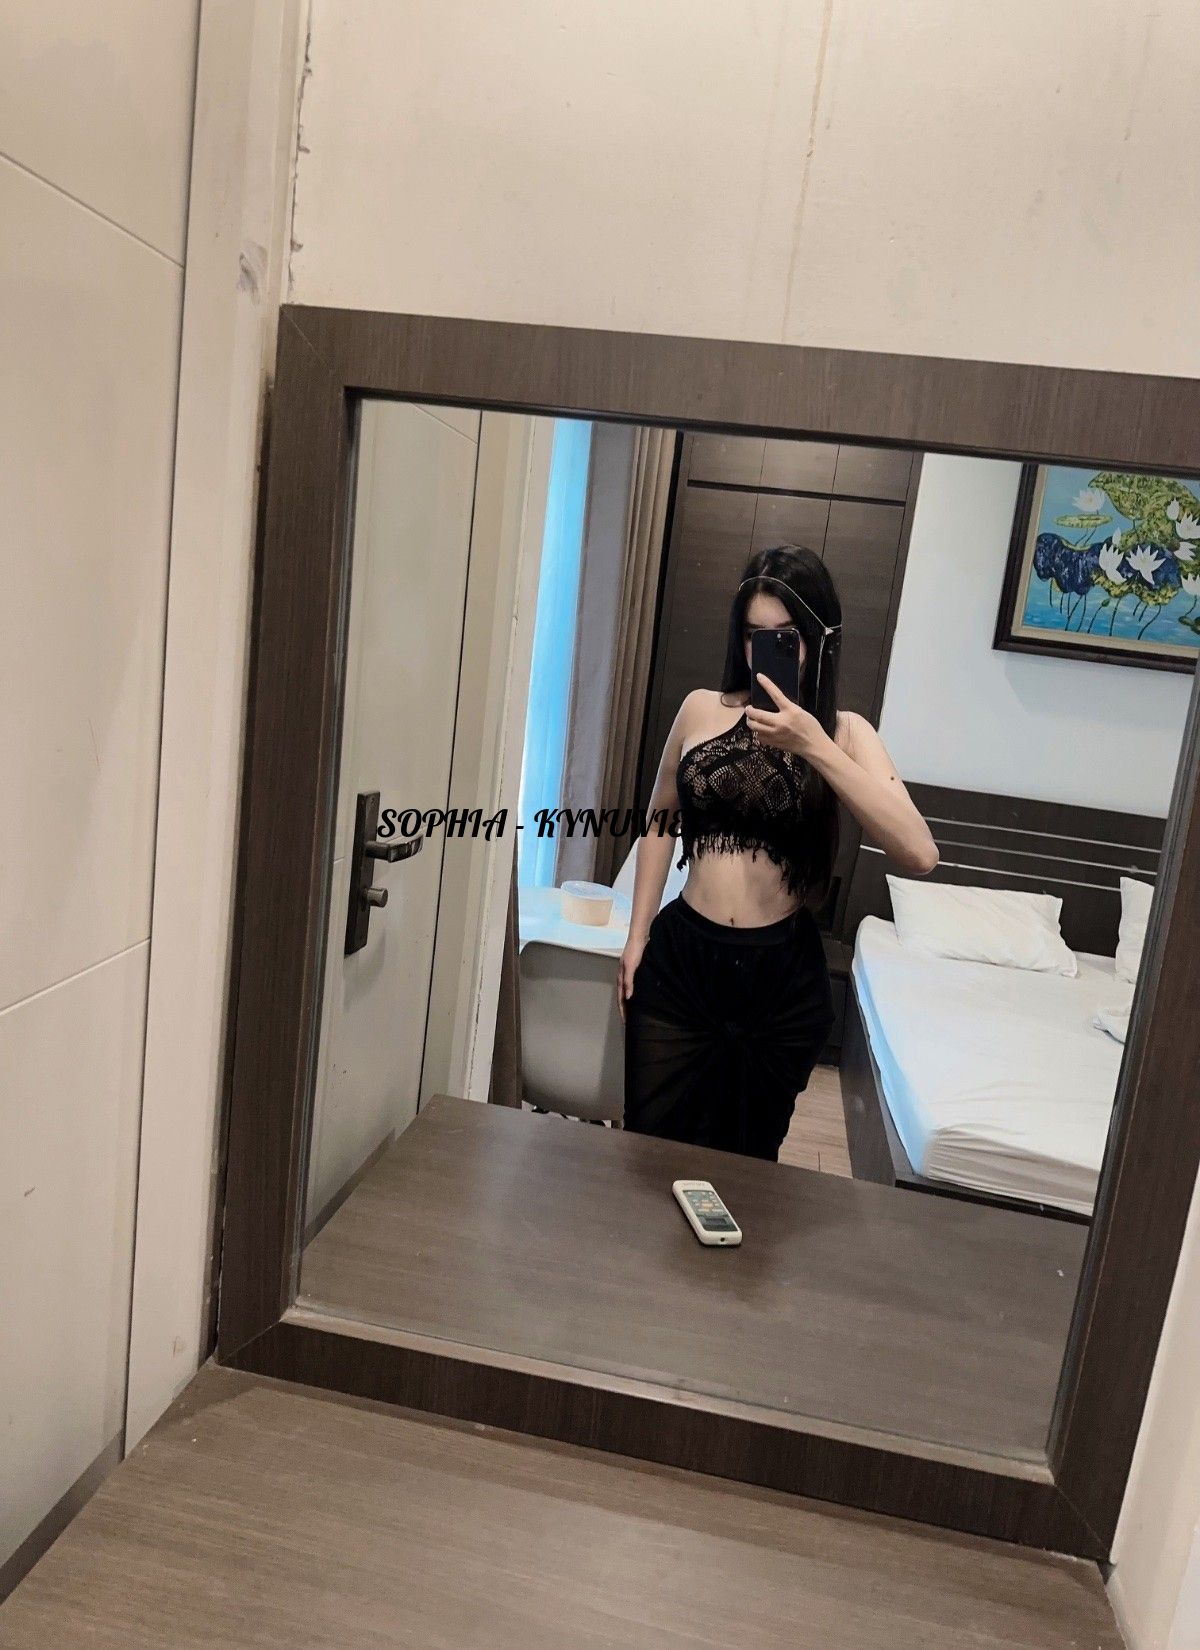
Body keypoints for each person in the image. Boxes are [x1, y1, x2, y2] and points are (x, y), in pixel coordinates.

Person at [619, 543, 939, 1161]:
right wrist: (637, 936)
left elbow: (919, 852)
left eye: (783, 637)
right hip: (681, 962)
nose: (762, 651)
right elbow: (660, 819)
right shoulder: (699, 709)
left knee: (747, 1166)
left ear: (819, 639)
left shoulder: (845, 733)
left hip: (779, 979)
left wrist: (814, 744)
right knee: (648, 1152)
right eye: (752, 635)